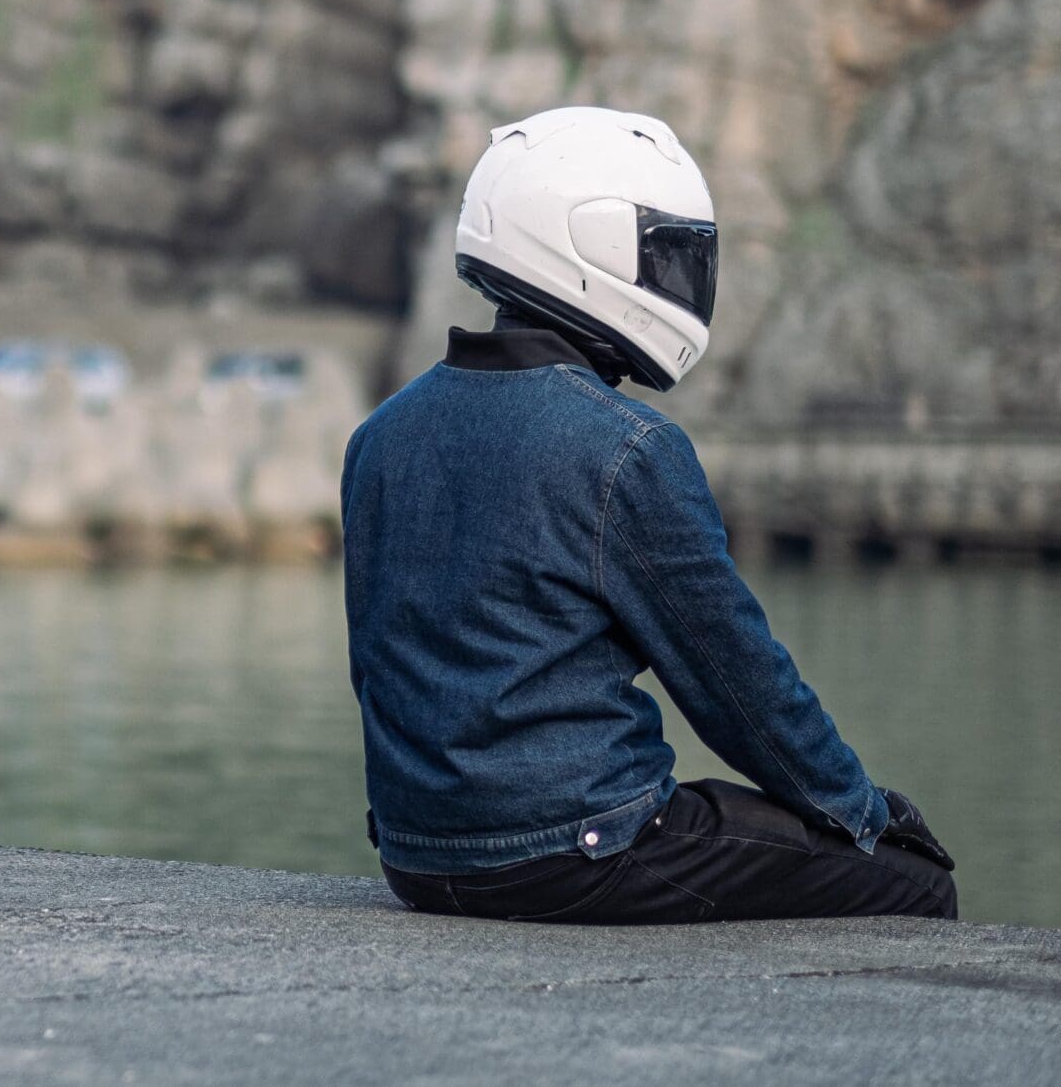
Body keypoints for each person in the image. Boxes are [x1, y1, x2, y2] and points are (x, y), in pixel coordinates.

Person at [341, 107, 956, 923]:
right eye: (663, 253)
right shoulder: (626, 448)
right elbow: (736, 681)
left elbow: (378, 669)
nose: (678, 277)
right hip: (577, 853)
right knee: (916, 881)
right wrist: (865, 810)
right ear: (586, 243)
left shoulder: (380, 435)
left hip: (415, 860)